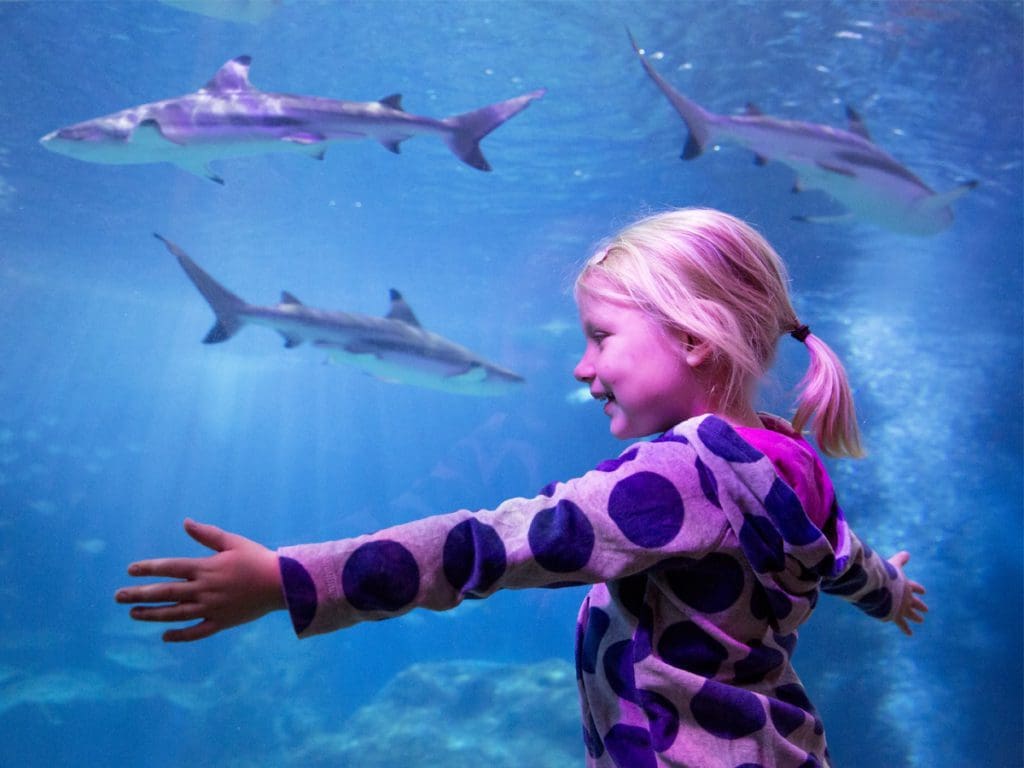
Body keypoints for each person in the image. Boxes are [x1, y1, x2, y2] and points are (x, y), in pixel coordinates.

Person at [115, 208, 927, 768]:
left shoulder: (677, 477)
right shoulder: (789, 458)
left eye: (601, 338)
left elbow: (485, 548)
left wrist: (292, 580)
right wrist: (892, 595)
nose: (581, 367)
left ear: (692, 336)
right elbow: (840, 559)